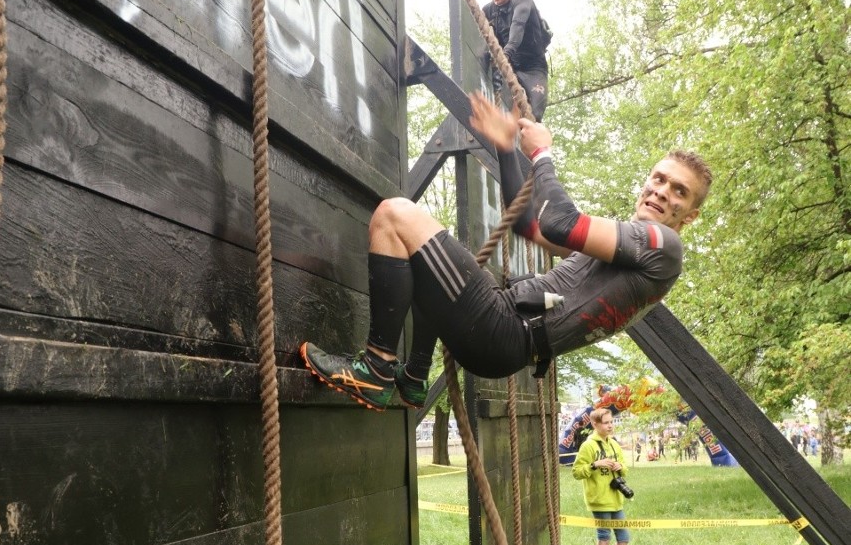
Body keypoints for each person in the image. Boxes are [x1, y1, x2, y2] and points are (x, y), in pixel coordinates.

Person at [299, 92, 712, 413]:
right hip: (505, 334)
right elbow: (529, 224)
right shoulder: (631, 246)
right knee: (424, 262)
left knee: (394, 217)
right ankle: (414, 376)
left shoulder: (663, 245)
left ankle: (376, 368)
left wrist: (542, 153)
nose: (662, 191)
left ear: (689, 216)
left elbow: (559, 223)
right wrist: (504, 146)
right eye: (659, 178)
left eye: (679, 191)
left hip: (504, 330)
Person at [572, 408, 636, 545]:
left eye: (611, 422)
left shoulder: (614, 445)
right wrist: (594, 465)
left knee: (623, 539)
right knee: (604, 538)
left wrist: (620, 467)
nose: (610, 426)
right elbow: (576, 472)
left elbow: (625, 468)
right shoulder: (588, 446)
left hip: (616, 500)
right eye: (606, 422)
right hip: (599, 500)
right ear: (595, 424)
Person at [482, 0, 549, 120]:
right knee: (505, 114)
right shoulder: (488, 11)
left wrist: (505, 55)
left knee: (535, 115)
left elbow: (518, 25)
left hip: (533, 68)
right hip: (511, 69)